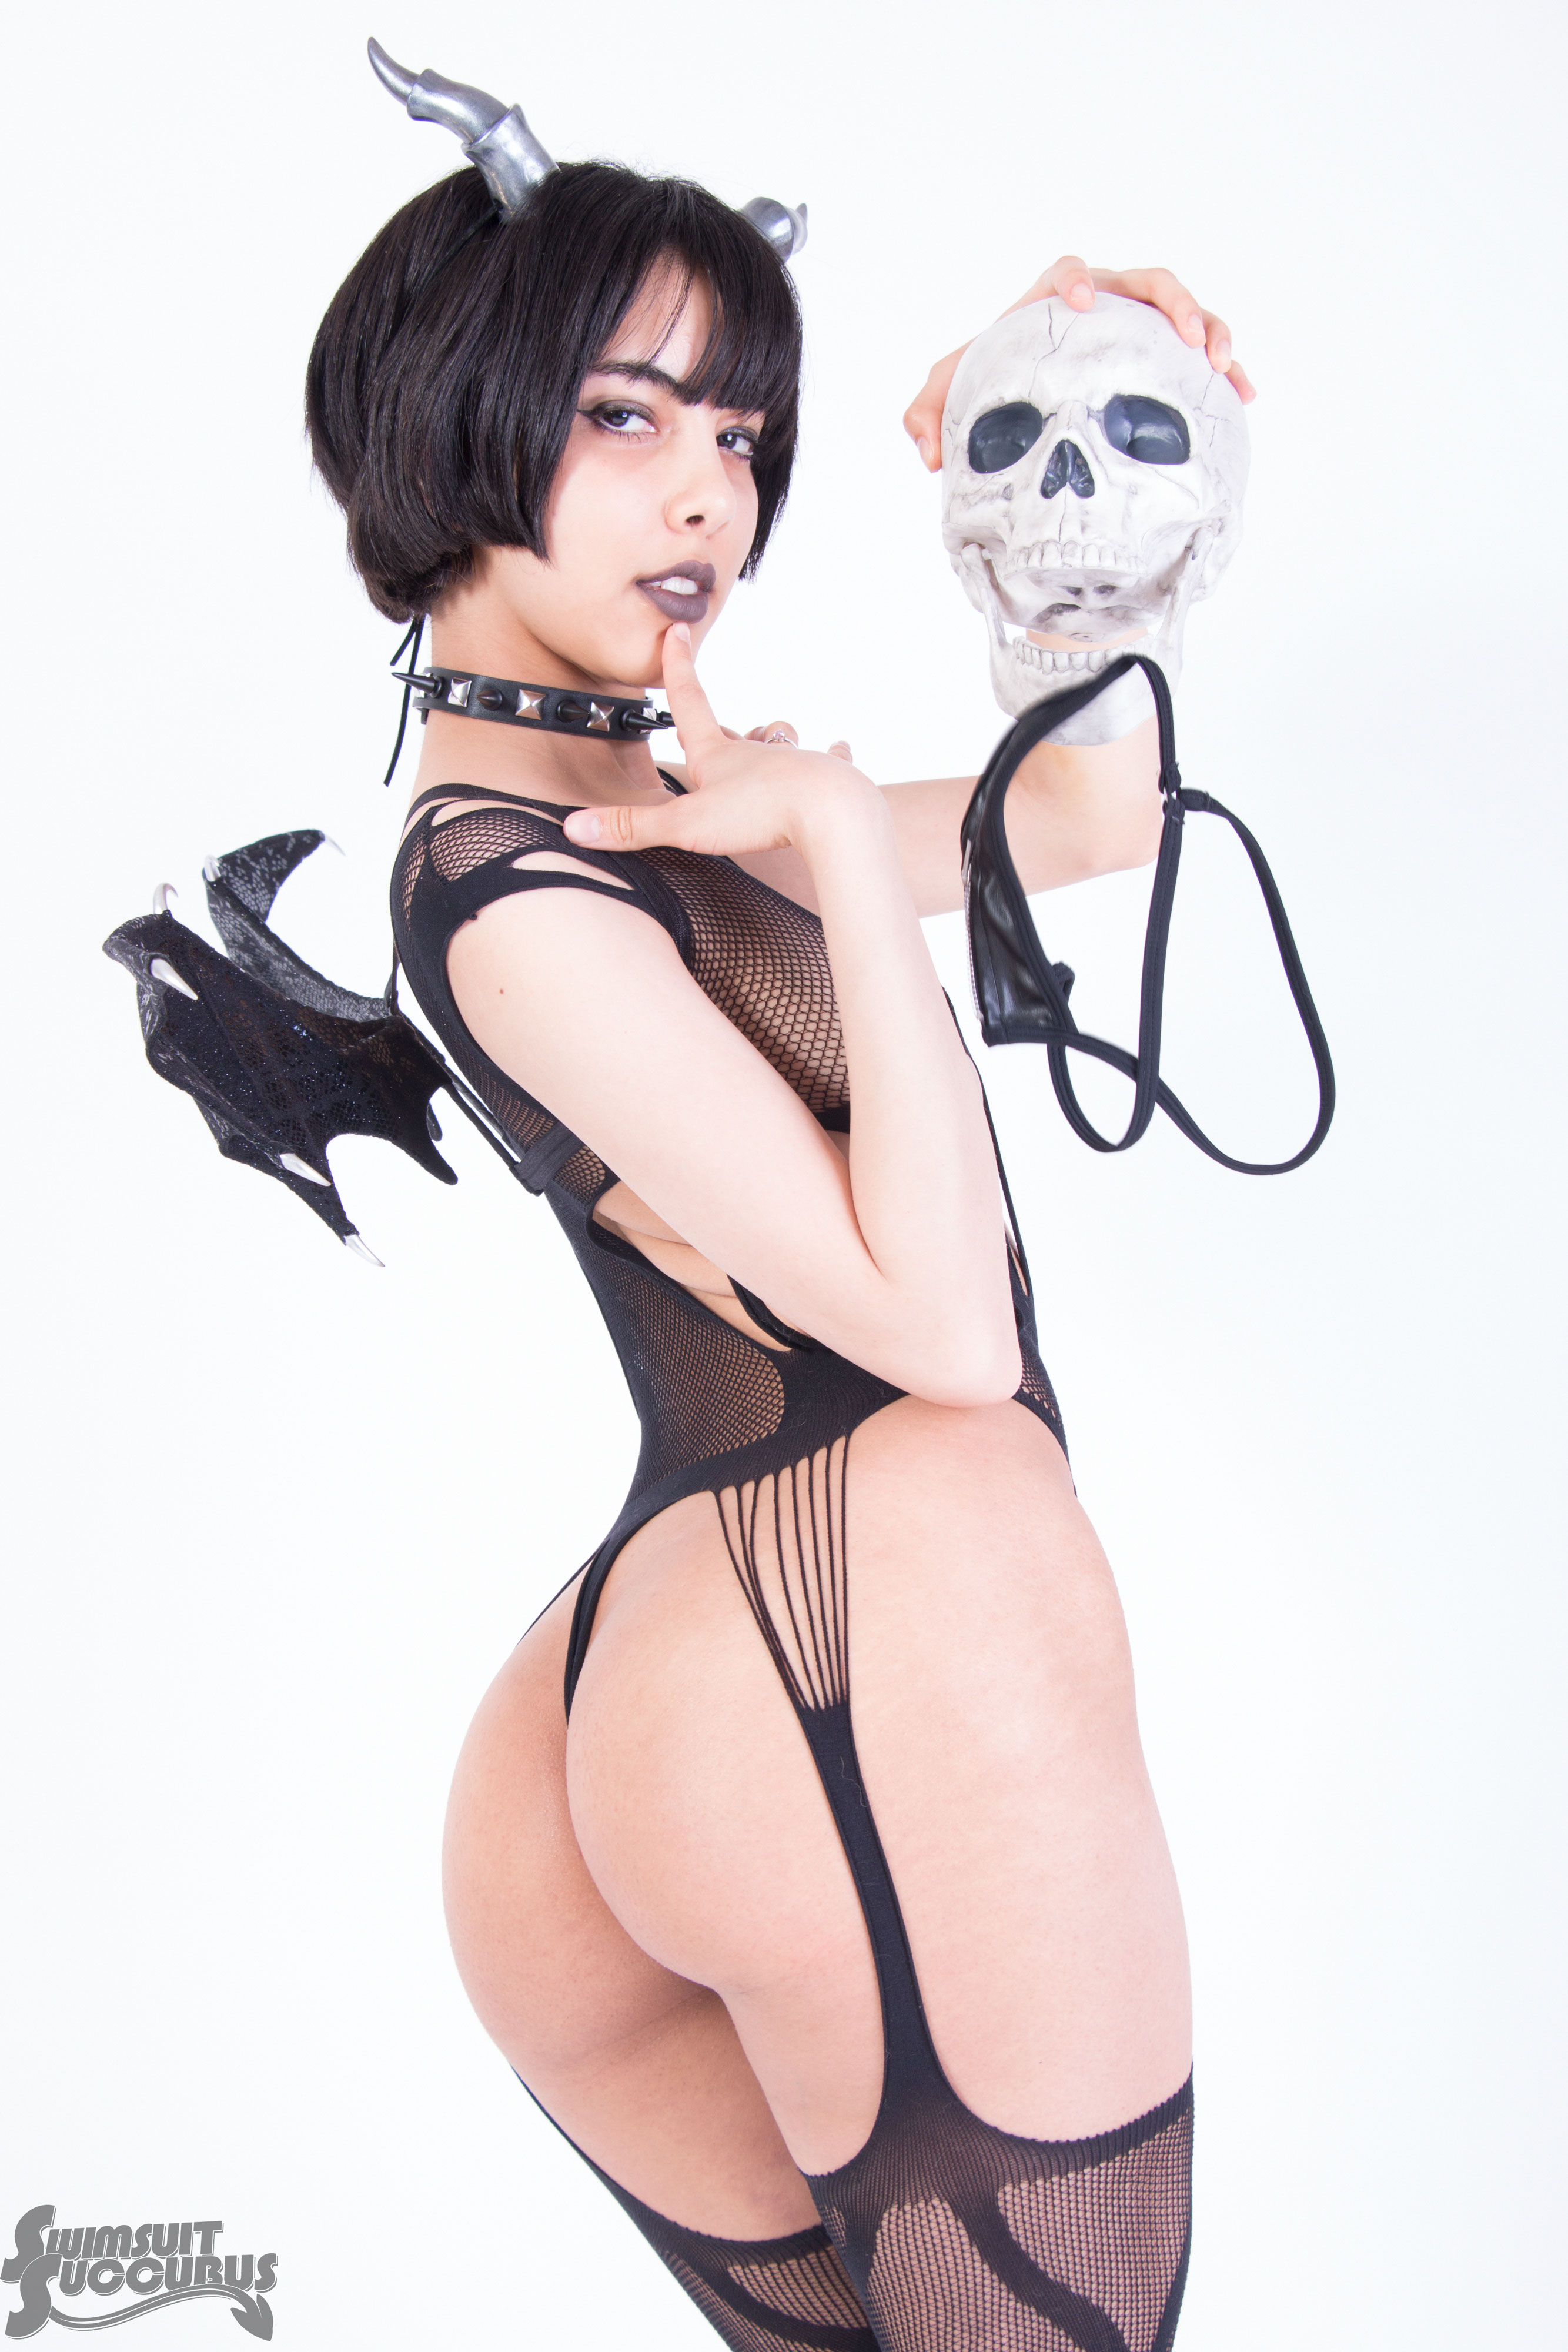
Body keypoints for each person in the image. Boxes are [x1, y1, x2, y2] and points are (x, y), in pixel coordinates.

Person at [307, 142, 1252, 2352]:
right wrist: (828, 834)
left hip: (673, 1678)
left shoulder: (636, 810)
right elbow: (936, 1331)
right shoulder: (504, 882)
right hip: (854, 1633)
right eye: (623, 413)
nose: (706, 496)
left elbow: (1087, 811)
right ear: (454, 409)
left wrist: (1057, 419)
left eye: (739, 432)